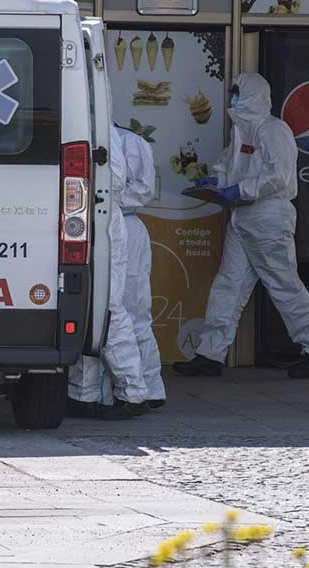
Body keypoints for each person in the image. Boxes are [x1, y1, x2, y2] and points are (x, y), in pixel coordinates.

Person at [173, 73, 309, 379]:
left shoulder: (273, 130)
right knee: (228, 286)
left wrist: (241, 190)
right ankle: (210, 353)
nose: (232, 98)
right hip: (244, 216)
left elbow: (280, 177)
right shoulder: (242, 132)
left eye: (237, 93)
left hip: (268, 218)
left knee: (283, 284)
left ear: (251, 95)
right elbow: (229, 167)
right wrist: (217, 181)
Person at [67, 125, 150, 419]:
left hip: (99, 218)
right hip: (86, 216)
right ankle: (83, 392)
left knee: (107, 309)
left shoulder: (101, 130)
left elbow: (109, 181)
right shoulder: (91, 124)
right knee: (86, 309)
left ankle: (133, 392)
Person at [116, 126, 166, 409]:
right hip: (105, 224)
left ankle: (149, 386)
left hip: (126, 224)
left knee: (133, 308)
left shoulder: (130, 141)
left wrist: (108, 200)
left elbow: (144, 188)